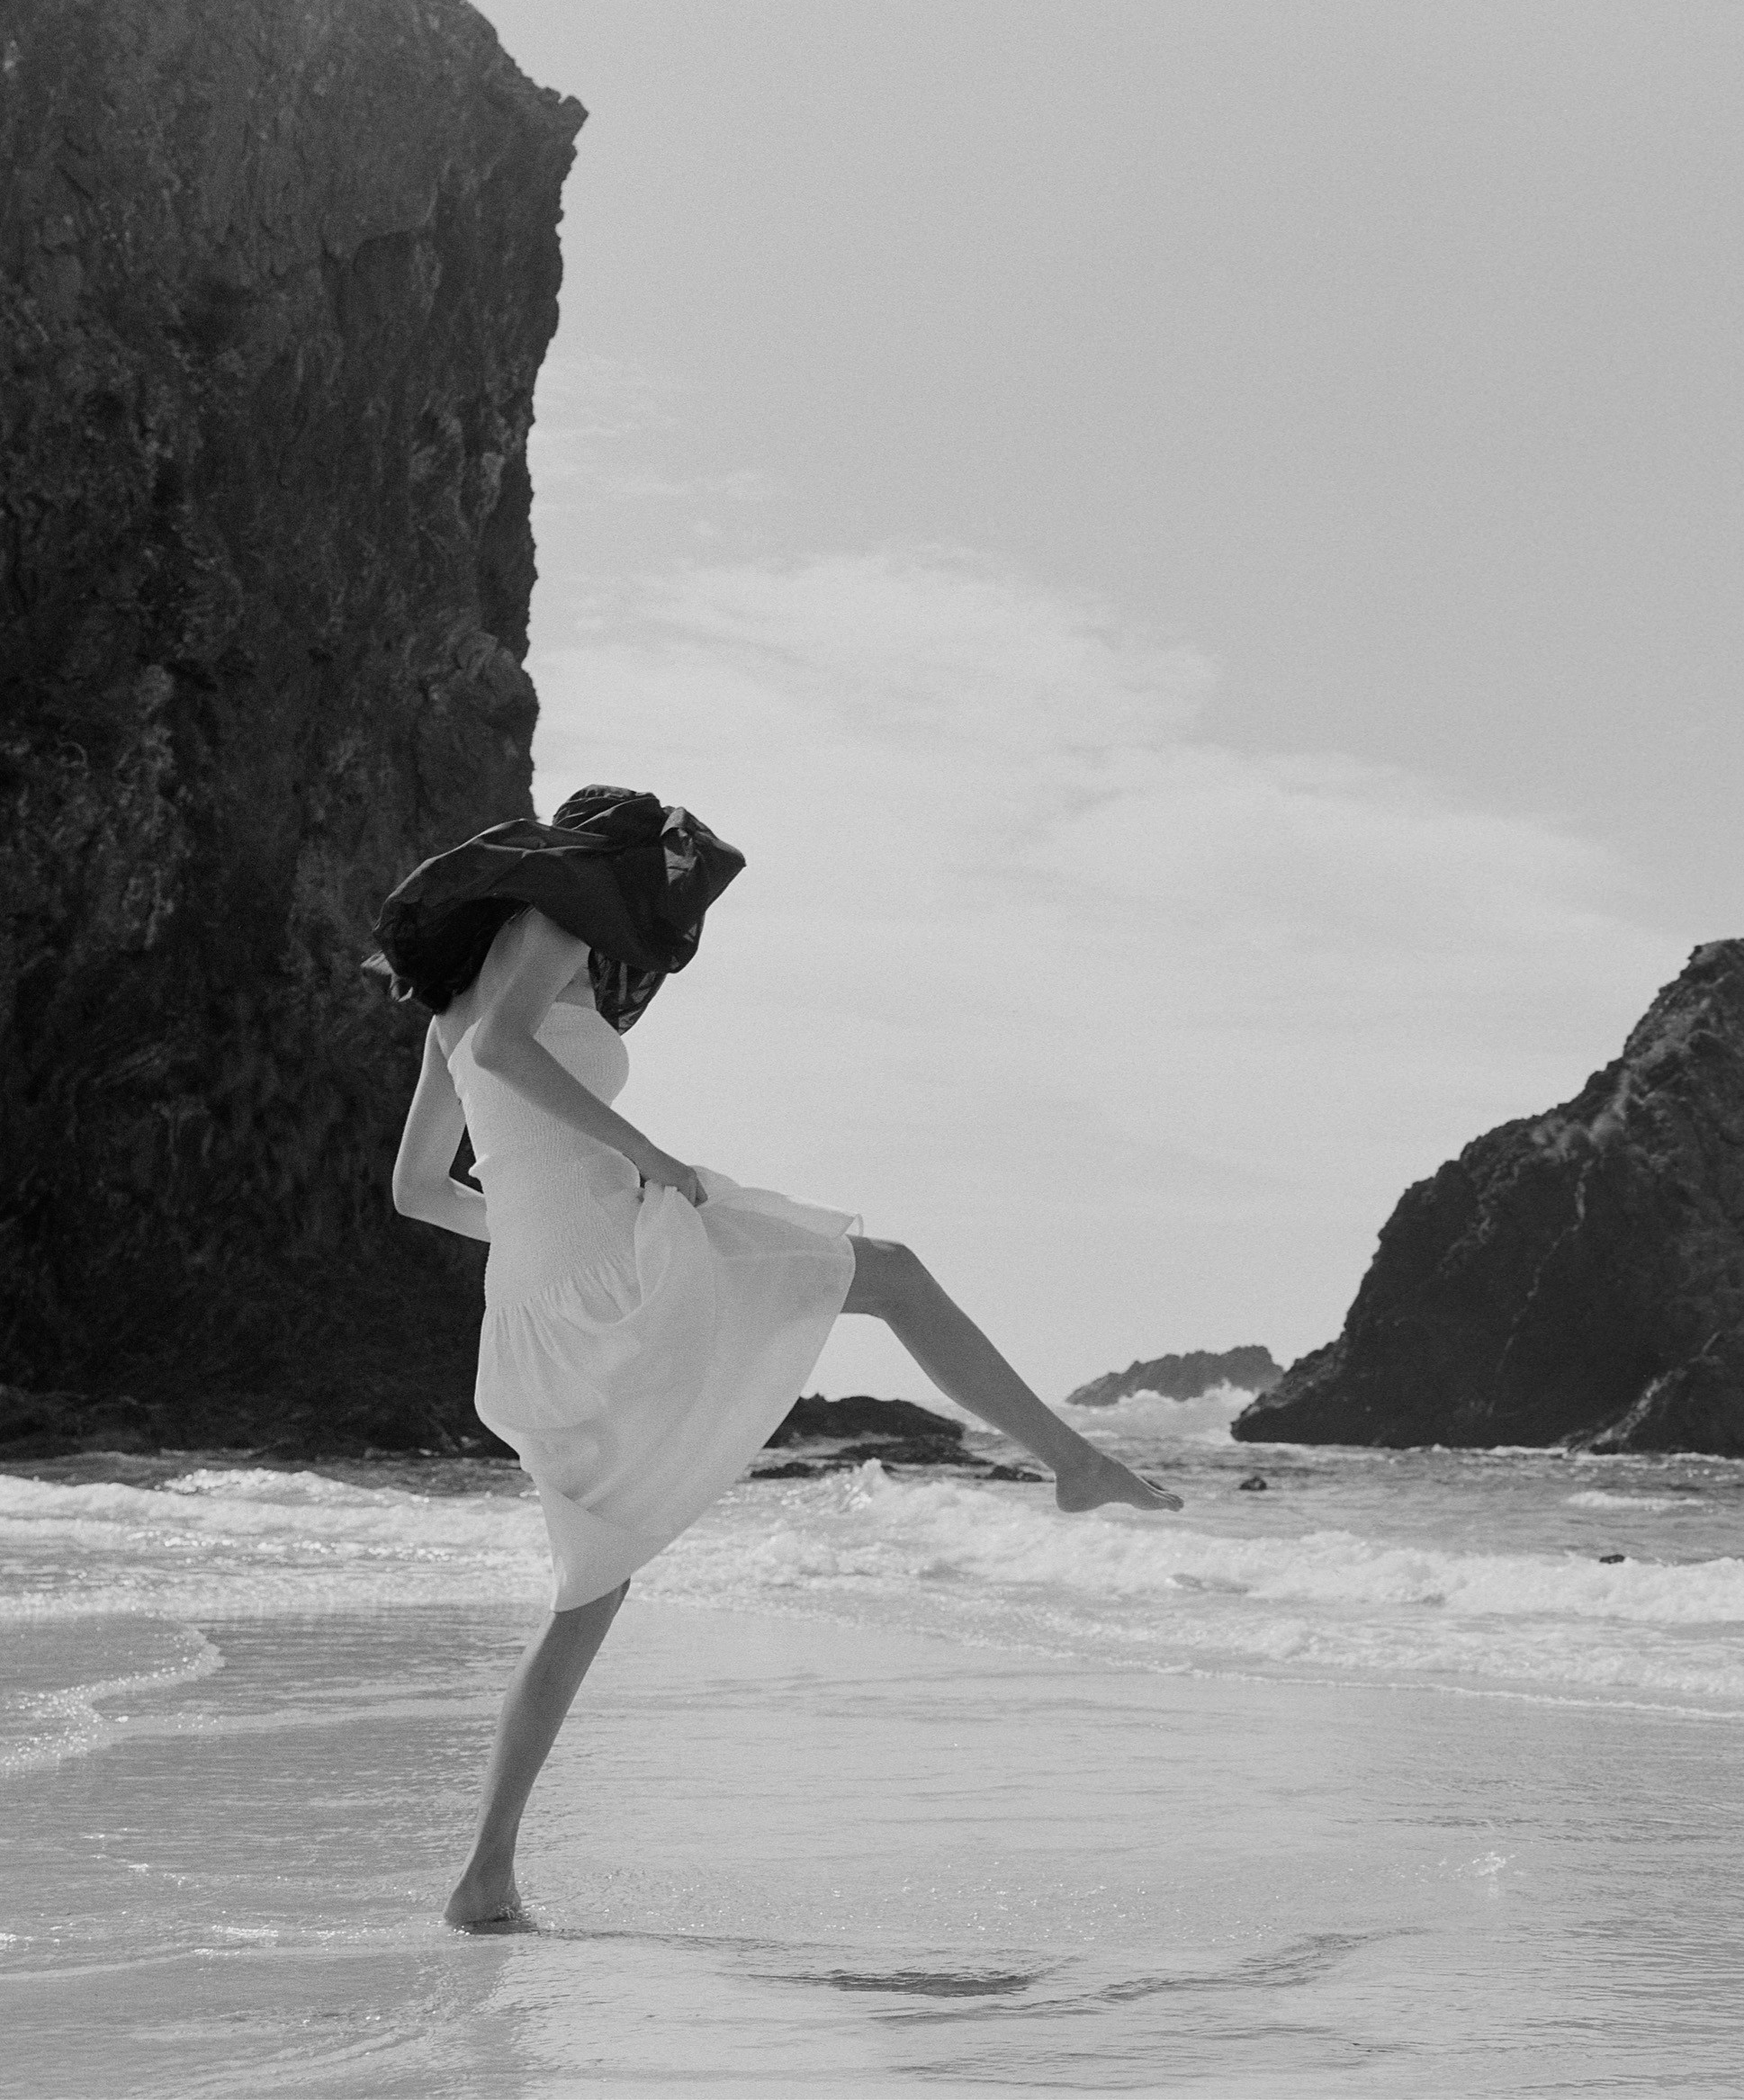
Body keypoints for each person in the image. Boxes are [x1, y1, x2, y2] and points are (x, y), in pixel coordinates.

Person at [373, 785, 1180, 1933]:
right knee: (892, 1273)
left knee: (592, 1589)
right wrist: (643, 1163)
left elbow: (417, 1191)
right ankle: (1075, 1460)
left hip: (541, 1309)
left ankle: (484, 1876)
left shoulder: (447, 1000)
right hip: (616, 1267)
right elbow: (508, 1053)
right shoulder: (549, 921)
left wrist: (546, 1233)